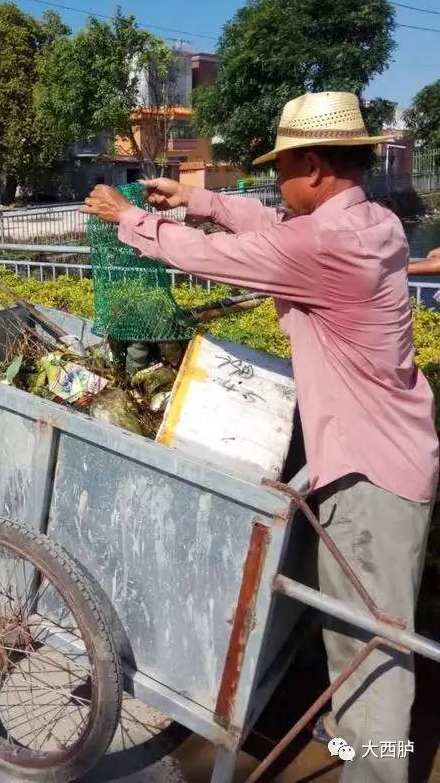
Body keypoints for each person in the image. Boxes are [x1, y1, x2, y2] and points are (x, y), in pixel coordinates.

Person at [81, 91, 438, 783]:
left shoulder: (324, 243)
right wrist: (200, 201)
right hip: (390, 450)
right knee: (355, 630)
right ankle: (349, 737)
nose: (274, 183)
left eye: (280, 168)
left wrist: (132, 221)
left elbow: (218, 260)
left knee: (376, 652)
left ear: (312, 165)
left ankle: (377, 768)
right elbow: (271, 225)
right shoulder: (374, 222)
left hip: (371, 476)